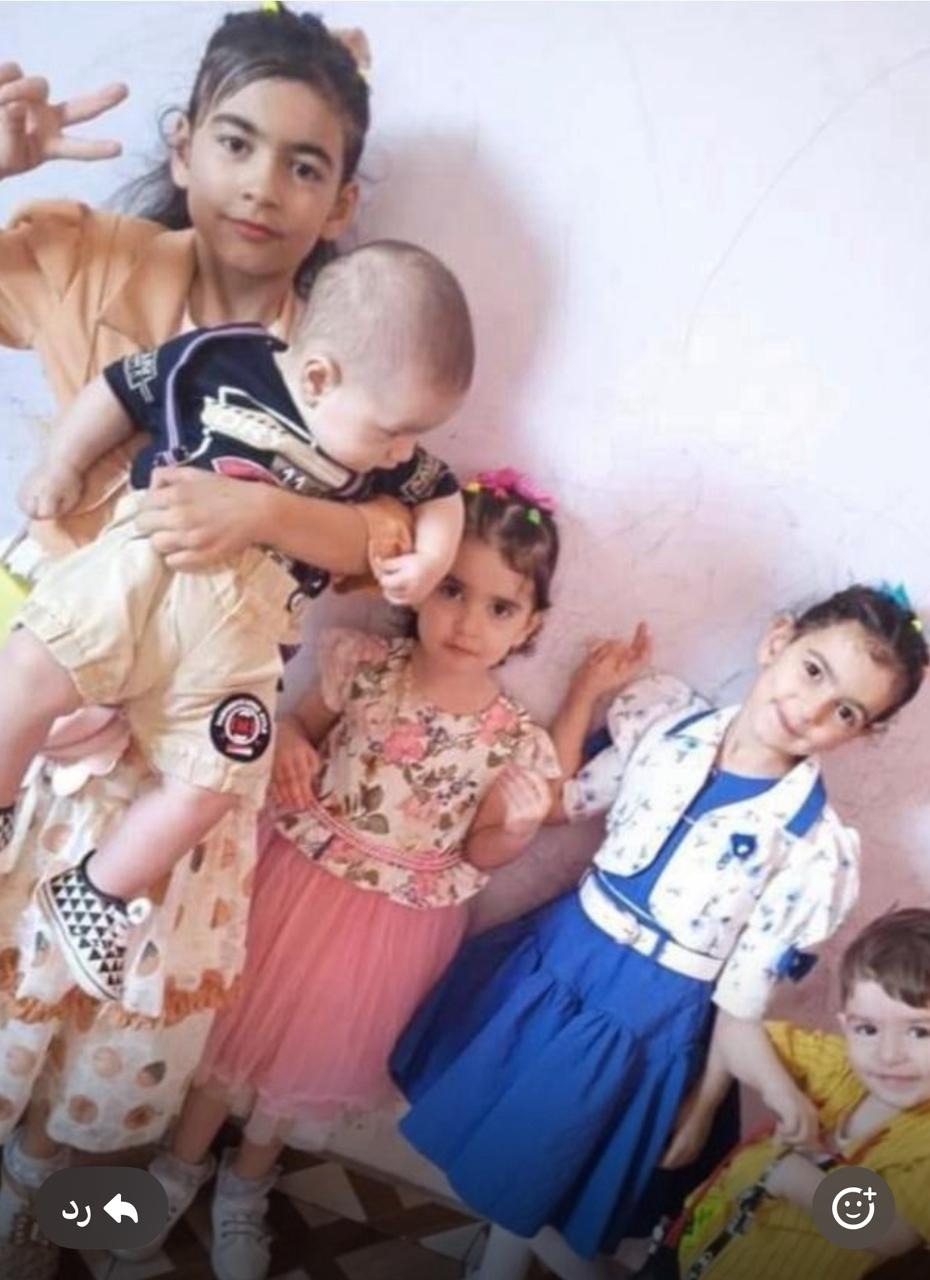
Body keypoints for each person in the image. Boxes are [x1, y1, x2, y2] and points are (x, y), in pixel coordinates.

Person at [0, 6, 404, 1271]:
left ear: (341, 200)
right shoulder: (84, 252)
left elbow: (393, 535)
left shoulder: (356, 344)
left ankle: (36, 1206)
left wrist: (268, 511)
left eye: (305, 162)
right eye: (236, 142)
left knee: (101, 997)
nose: (263, 185)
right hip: (55, 655)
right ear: (182, 147)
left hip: (195, 719)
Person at [390, 585, 929, 1280]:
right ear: (778, 641)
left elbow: (741, 999)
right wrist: (584, 693)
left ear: (860, 733)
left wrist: (703, 1105)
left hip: (646, 1019)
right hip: (561, 960)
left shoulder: (812, 850)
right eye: (813, 670)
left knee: (542, 1168)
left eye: (846, 711)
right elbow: (568, 801)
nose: (812, 708)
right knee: (508, 1148)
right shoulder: (668, 726)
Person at [109, 474, 561, 1280]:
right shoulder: (367, 664)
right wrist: (289, 741)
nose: (468, 622)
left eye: (500, 607)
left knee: (303, 1057)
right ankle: (179, 1166)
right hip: (297, 879)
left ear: (530, 626)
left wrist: (517, 832)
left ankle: (247, 1182)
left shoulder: (512, 738)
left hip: (394, 925)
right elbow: (298, 724)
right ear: (417, 581)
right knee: (233, 1034)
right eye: (453, 590)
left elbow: (480, 853)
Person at [2, 237, 473, 1003]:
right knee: (29, 667)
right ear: (318, 377)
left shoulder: (380, 449)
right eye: (393, 430)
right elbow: (117, 390)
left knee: (217, 778)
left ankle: (97, 890)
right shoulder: (221, 361)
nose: (403, 452)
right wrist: (61, 462)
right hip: (151, 564)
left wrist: (430, 560)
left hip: (249, 629)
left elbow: (442, 493)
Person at [667, 907, 930, 1280]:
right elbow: (735, 1028)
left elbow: (891, 1235)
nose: (888, 1055)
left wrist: (791, 1175)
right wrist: (778, 1090)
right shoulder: (838, 1067)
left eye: (920, 1032)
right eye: (868, 1029)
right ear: (846, 1025)